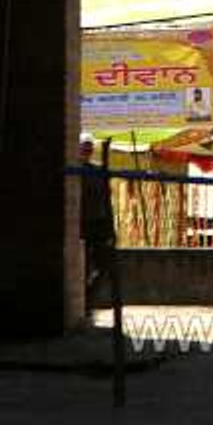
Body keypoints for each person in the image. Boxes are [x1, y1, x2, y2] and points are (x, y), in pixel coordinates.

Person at [79, 132, 116, 323]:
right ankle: (83, 304)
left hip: (99, 224)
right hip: (82, 224)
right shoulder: (78, 172)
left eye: (89, 147)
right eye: (84, 147)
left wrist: (110, 227)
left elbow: (107, 201)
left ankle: (87, 301)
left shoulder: (97, 172)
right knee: (83, 267)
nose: (87, 150)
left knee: (103, 265)